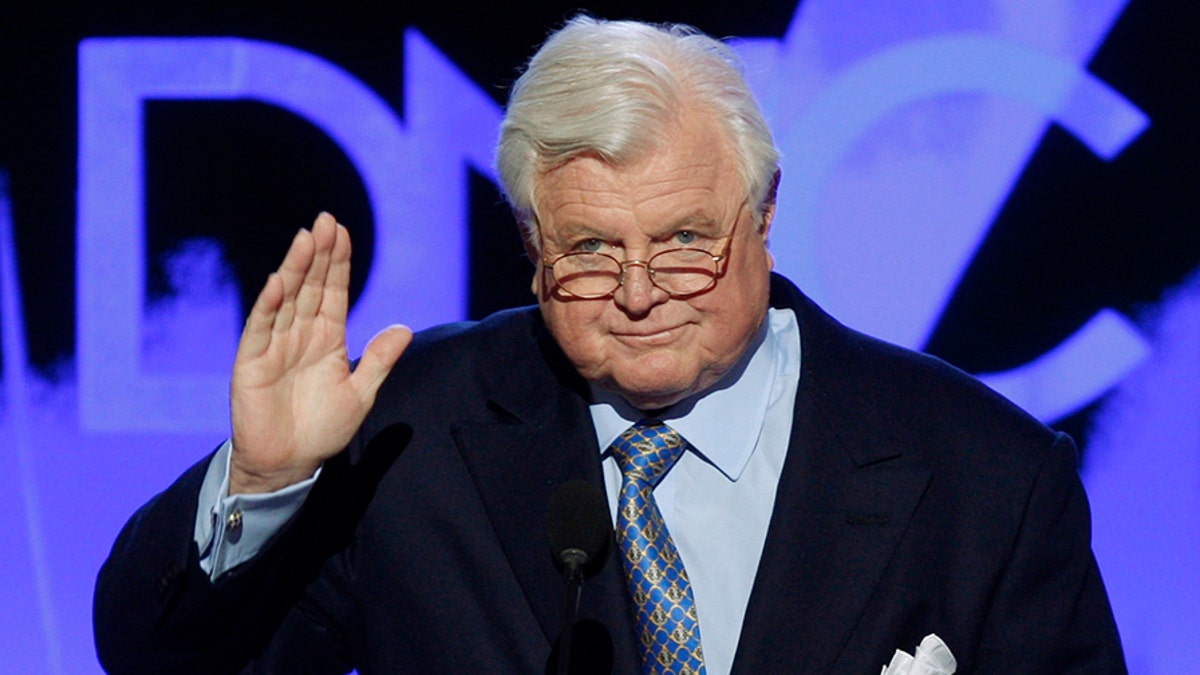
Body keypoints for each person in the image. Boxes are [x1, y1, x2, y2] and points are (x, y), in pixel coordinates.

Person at [94, 15, 1126, 674]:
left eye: (683, 241)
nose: (638, 293)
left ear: (762, 218)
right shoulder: (412, 430)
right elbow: (159, 661)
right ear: (532, 244)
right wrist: (266, 484)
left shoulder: (985, 473)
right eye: (590, 247)